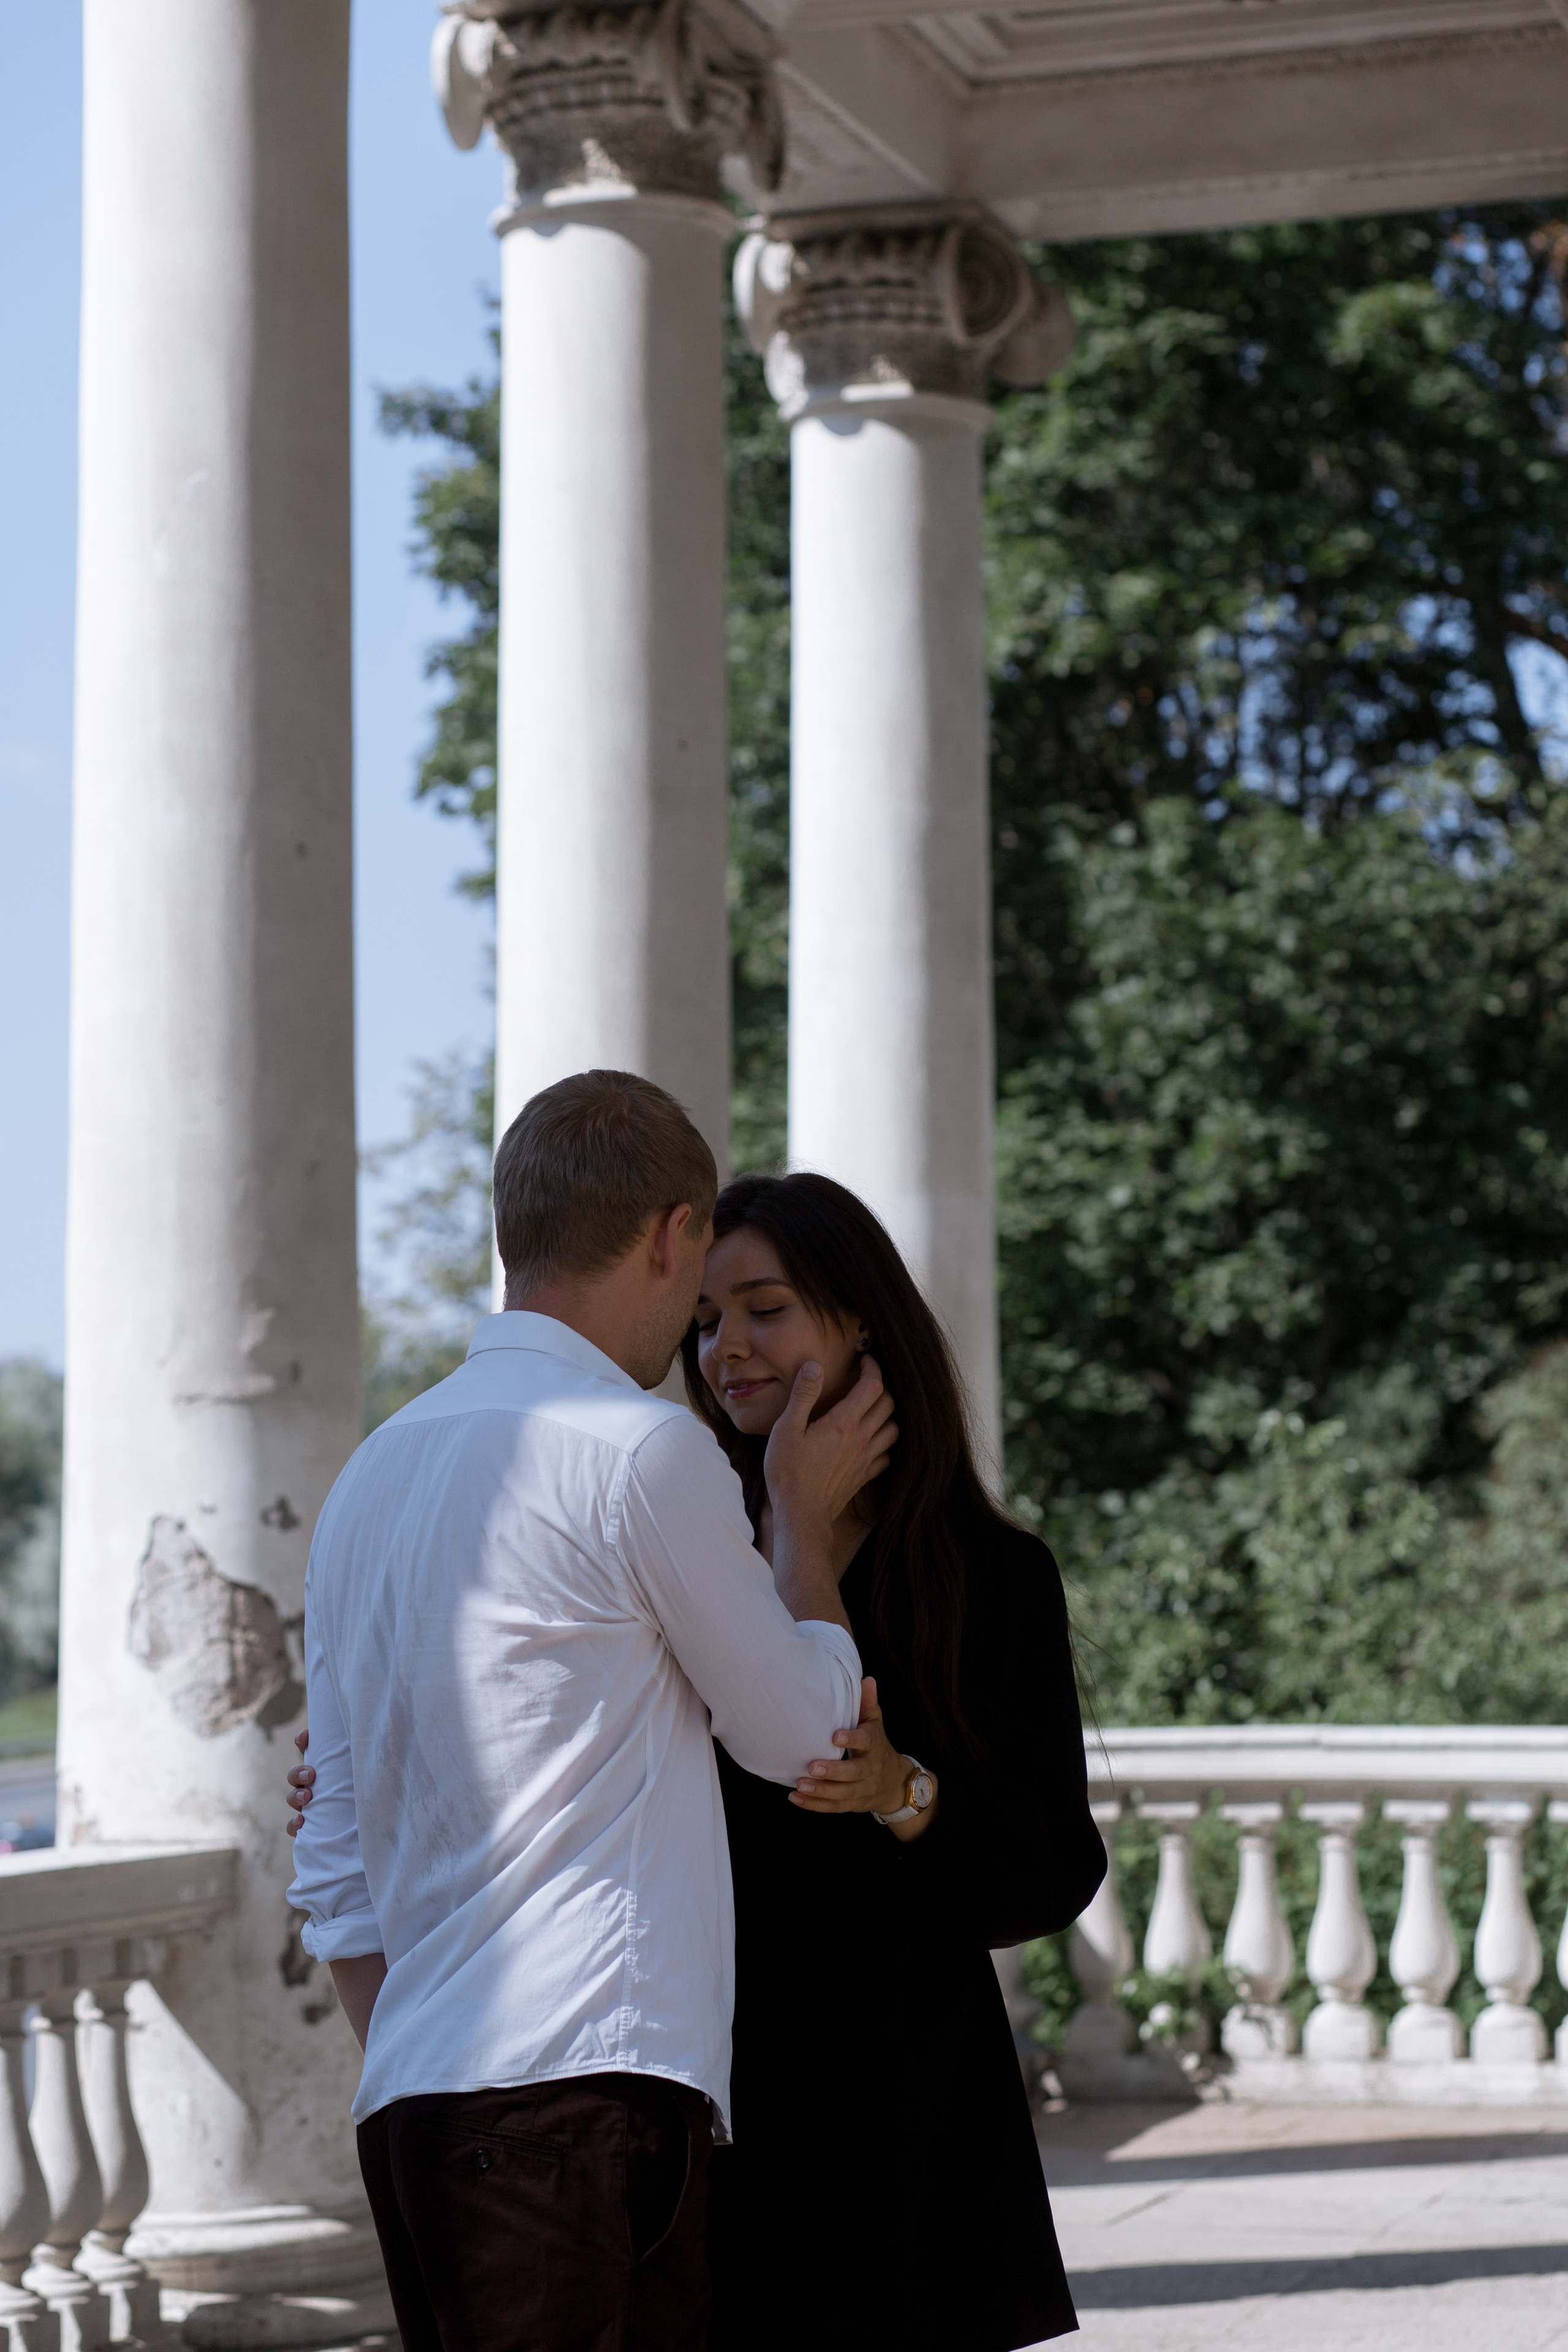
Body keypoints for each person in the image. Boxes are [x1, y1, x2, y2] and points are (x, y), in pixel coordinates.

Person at [284, 1072, 896, 2352]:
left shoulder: (367, 1479)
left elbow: (332, 1865)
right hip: (580, 2107)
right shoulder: (636, 1450)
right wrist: (806, 1541)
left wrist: (433, 2062)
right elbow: (801, 1739)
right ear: (673, 1234)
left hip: (416, 2113)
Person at [682, 1172, 1104, 2352]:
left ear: (858, 1313)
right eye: (708, 1321)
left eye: (764, 1307)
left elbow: (1051, 1872)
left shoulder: (988, 1575)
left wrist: (905, 1793)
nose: (730, 1349)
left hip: (906, 2101)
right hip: (717, 2088)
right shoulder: (678, 1547)